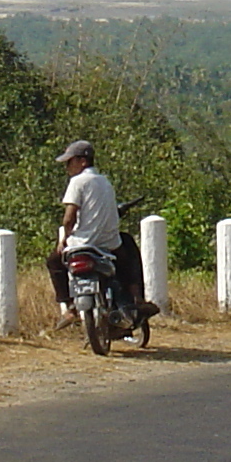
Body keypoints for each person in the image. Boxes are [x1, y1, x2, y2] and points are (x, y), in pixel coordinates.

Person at [45, 140, 153, 326]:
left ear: (82, 161)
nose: (67, 167)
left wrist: (64, 239)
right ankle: (136, 298)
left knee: (54, 261)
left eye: (70, 162)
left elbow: (68, 218)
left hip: (82, 243)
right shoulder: (105, 182)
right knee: (128, 258)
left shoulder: (77, 182)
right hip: (108, 244)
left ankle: (69, 307)